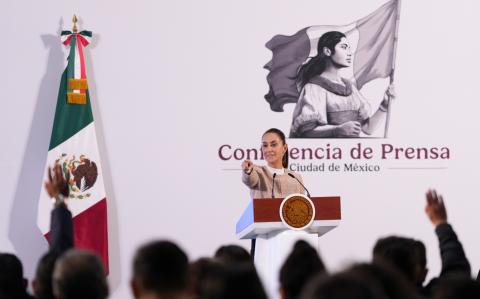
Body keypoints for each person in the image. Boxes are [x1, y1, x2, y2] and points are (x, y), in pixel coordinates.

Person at [290, 31, 394, 138]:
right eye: (344, 47)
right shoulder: (314, 88)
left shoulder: (350, 88)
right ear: (327, 51)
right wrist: (336, 130)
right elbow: (306, 132)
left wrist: (384, 106)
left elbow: (367, 129)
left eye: (349, 48)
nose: (349, 53)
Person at [241, 128, 306, 200]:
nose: (269, 149)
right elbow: (250, 180)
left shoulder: (296, 178)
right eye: (265, 146)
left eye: (273, 145)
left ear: (284, 148)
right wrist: (247, 171)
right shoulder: (257, 172)